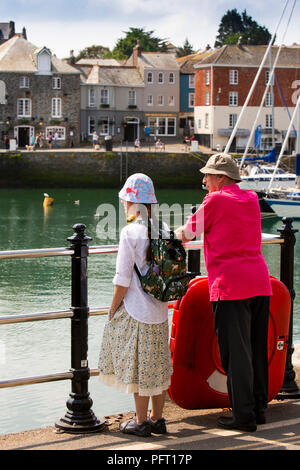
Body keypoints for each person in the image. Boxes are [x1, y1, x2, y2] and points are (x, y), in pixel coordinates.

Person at [175, 153, 272, 433]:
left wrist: (170, 233)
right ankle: (257, 408)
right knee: (255, 349)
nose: (204, 181)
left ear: (221, 178)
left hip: (230, 287)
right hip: (259, 282)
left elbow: (189, 233)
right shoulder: (251, 199)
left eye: (207, 176)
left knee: (236, 353)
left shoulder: (216, 200)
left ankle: (243, 416)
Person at [98, 173, 173, 437]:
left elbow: (122, 278)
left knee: (140, 366)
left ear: (131, 202)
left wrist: (112, 307)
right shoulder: (163, 228)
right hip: (160, 310)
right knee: (157, 363)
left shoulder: (130, 232)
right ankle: (158, 419)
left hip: (136, 310)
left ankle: (141, 422)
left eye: (124, 201)